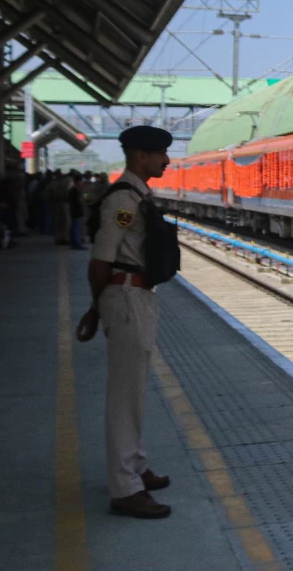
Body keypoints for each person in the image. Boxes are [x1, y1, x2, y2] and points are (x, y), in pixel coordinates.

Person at [78, 125, 175, 519]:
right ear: (140, 157)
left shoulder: (137, 195)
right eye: (159, 155)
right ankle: (125, 488)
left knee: (134, 391)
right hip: (126, 296)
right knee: (125, 395)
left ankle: (134, 465)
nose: (166, 161)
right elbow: (101, 258)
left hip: (138, 295)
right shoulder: (122, 201)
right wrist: (95, 307)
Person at [67, 170, 87, 250]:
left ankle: (74, 243)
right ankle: (77, 244)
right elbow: (79, 201)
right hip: (76, 211)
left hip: (75, 211)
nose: (82, 183)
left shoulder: (75, 189)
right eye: (81, 181)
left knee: (75, 228)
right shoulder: (75, 190)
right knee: (76, 228)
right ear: (78, 181)